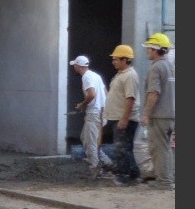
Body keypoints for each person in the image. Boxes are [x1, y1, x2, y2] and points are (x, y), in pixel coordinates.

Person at [140, 33, 175, 190]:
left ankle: (164, 182)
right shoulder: (170, 67)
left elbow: (154, 92)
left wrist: (146, 114)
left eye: (149, 48)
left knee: (158, 148)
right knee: (166, 147)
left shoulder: (156, 68)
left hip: (159, 115)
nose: (148, 51)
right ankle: (167, 178)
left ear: (155, 49)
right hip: (170, 115)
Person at [102, 45, 141, 186]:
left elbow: (130, 98)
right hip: (118, 117)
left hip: (124, 119)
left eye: (116, 59)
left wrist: (124, 118)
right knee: (125, 148)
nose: (113, 61)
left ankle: (123, 176)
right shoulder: (121, 74)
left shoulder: (129, 76)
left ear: (125, 60)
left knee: (121, 148)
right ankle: (134, 174)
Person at [70, 55, 113, 179]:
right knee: (85, 138)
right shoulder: (96, 75)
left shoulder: (86, 77)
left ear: (78, 66)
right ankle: (106, 163)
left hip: (94, 113)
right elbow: (105, 93)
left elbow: (92, 94)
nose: (74, 67)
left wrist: (82, 105)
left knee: (90, 143)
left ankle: (96, 168)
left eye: (75, 66)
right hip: (101, 112)